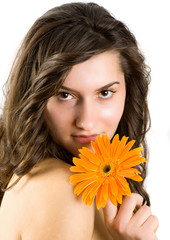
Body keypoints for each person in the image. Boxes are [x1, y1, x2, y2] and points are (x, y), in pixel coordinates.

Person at [0, 2, 159, 239]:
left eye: (104, 93)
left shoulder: (79, 183)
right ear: (35, 98)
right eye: (65, 95)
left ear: (129, 92)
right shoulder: (65, 188)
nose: (86, 121)